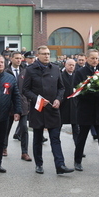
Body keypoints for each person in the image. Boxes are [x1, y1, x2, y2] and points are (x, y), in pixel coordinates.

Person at [23, 45, 74, 175]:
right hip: (38, 108)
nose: (46, 56)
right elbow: (25, 90)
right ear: (38, 55)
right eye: (44, 54)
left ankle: (60, 165)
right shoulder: (30, 70)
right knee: (38, 138)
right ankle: (39, 164)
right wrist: (38, 99)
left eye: (48, 53)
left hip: (53, 108)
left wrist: (58, 99)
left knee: (55, 138)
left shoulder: (55, 69)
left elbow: (61, 88)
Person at [2, 52, 31, 161]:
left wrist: (28, 102)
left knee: (24, 128)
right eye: (17, 58)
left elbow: (28, 88)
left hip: (22, 104)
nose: (19, 60)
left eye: (20, 58)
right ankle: (4, 147)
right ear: (11, 59)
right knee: (6, 128)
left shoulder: (25, 71)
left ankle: (24, 152)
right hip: (9, 104)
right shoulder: (5, 72)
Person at [60, 59, 79, 145]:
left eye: (73, 65)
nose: (71, 67)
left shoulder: (76, 76)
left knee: (76, 128)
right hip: (63, 105)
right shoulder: (60, 76)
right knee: (57, 127)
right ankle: (56, 146)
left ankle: (78, 148)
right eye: (69, 65)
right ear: (65, 65)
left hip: (74, 105)